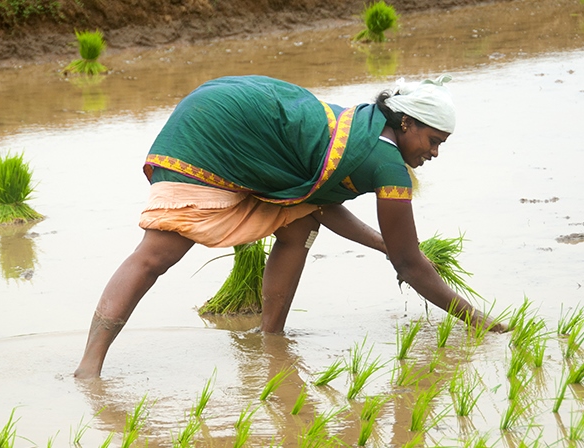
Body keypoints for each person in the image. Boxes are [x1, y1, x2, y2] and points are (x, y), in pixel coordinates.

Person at [74, 74, 504, 379]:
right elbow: (410, 264)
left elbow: (319, 208)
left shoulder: (361, 129)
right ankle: (88, 368)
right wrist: (479, 321)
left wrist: (387, 248)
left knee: (297, 228)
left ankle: (270, 338)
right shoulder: (385, 163)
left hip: (226, 103)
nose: (435, 152)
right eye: (433, 140)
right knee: (157, 255)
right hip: (220, 128)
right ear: (406, 123)